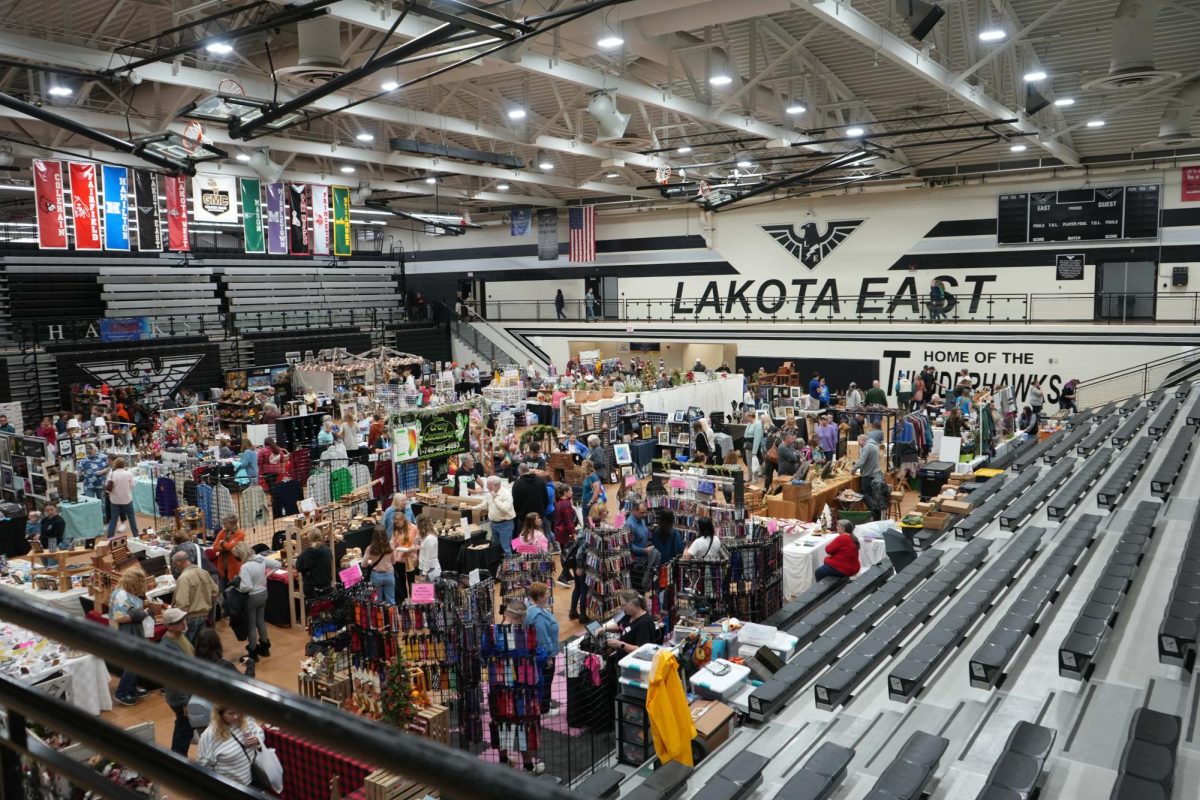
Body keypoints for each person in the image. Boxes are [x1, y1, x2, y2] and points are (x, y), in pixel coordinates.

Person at [110, 568, 157, 705]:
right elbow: (120, 618)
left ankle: (132, 689)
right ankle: (121, 693)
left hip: (131, 631)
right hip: (127, 633)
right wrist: (142, 613)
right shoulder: (121, 595)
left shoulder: (124, 592)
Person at [197, 706, 267, 787]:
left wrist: (258, 739)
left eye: (238, 711)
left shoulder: (246, 718)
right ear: (220, 714)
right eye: (231, 713)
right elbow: (203, 764)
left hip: (254, 778)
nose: (236, 716)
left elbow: (259, 732)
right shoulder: (210, 735)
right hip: (231, 786)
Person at [159, 607, 196, 756]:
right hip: (181, 697)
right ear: (169, 626)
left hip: (190, 692)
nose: (183, 623)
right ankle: (177, 758)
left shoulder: (181, 636)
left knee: (185, 728)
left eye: (183, 620)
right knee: (184, 729)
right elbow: (172, 679)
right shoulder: (166, 648)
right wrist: (184, 703)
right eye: (179, 622)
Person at [525, 582, 560, 716]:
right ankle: (544, 709)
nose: (548, 596)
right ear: (539, 597)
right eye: (546, 594)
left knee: (543, 680)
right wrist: (549, 657)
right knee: (546, 679)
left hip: (539, 653)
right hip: (544, 655)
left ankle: (543, 702)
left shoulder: (532, 607)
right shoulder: (538, 616)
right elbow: (542, 638)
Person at [171, 547, 219, 644]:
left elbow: (182, 603)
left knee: (188, 646)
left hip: (191, 618)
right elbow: (215, 590)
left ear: (178, 563)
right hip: (204, 615)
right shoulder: (203, 572)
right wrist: (206, 602)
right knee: (200, 644)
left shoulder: (184, 578)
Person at [605, 590, 657, 654]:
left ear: (631, 604)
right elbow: (620, 626)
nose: (622, 608)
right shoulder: (629, 615)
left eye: (624, 605)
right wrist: (604, 628)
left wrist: (620, 644)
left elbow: (642, 649)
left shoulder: (644, 623)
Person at [361, 526, 396, 606]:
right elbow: (394, 562)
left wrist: (371, 562)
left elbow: (363, 564)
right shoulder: (391, 546)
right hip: (389, 575)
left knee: (376, 602)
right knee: (391, 602)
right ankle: (391, 618)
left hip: (376, 576)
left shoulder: (370, 548)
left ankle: (380, 618)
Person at [853, 435, 886, 521]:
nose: (859, 445)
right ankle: (875, 514)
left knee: (865, 494)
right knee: (871, 495)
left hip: (868, 475)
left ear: (863, 440)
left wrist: (853, 469)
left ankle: (872, 512)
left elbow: (862, 461)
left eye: (859, 443)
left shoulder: (867, 447)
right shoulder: (874, 445)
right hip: (874, 474)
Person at [482, 476, 517, 554]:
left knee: (505, 547)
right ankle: (498, 564)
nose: (487, 487)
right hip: (494, 524)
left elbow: (505, 509)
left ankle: (509, 565)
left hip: (505, 524)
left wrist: (495, 498)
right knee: (496, 546)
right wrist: (471, 507)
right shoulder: (490, 493)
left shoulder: (506, 494)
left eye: (489, 485)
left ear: (497, 485)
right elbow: (484, 505)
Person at [294, 529, 333, 598]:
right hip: (327, 586)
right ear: (321, 537)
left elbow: (298, 567)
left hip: (311, 589)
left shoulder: (305, 554)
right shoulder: (328, 550)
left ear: (309, 539)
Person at [552, 483, 577, 585]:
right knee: (569, 554)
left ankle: (567, 575)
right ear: (566, 492)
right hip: (565, 533)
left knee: (564, 553)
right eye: (570, 490)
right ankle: (563, 575)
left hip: (559, 531)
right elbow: (569, 521)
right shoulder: (566, 504)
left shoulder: (559, 502)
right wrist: (574, 534)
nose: (572, 492)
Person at [105, 457, 138, 537]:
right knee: (131, 517)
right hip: (126, 499)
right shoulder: (128, 474)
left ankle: (110, 538)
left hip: (114, 500)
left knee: (113, 519)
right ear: (124, 465)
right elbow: (132, 485)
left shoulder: (112, 473)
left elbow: (107, 486)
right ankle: (136, 536)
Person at [212, 516, 245, 589]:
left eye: (225, 523)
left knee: (233, 589)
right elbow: (215, 547)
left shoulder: (240, 534)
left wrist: (222, 542)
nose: (224, 525)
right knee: (223, 588)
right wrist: (227, 546)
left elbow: (231, 547)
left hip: (234, 566)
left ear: (233, 524)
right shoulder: (222, 532)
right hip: (222, 566)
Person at [415, 515, 442, 582]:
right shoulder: (425, 536)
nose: (416, 526)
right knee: (424, 591)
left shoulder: (430, 538)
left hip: (429, 570)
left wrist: (424, 573)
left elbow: (428, 558)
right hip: (424, 568)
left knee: (429, 592)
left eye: (417, 524)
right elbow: (416, 542)